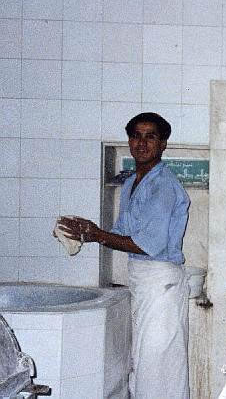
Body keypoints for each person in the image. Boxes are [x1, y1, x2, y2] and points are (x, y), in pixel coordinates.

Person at [58, 112, 190, 399]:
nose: (142, 143)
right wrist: (81, 232)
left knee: (158, 365)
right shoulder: (132, 183)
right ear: (129, 141)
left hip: (161, 282)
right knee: (143, 362)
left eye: (150, 137)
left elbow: (147, 245)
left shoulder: (163, 185)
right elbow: (121, 234)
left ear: (163, 144)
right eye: (136, 136)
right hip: (143, 282)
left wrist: (96, 234)